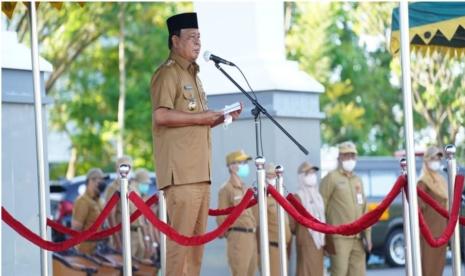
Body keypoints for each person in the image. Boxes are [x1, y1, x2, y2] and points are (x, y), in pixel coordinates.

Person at [150, 12, 242, 276]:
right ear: (175, 40)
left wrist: (219, 117)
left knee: (196, 250)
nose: (198, 43)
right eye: (191, 37)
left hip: (201, 174)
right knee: (180, 247)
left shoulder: (195, 76)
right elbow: (161, 115)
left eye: (199, 37)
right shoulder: (167, 74)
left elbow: (193, 122)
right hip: (181, 175)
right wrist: (203, 116)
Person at [320, 141, 371, 276]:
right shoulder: (331, 178)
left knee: (358, 273)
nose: (350, 159)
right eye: (346, 156)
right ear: (340, 158)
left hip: (358, 238)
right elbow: (321, 207)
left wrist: (368, 236)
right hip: (339, 237)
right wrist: (324, 236)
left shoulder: (358, 180)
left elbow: (364, 209)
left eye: (352, 156)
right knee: (340, 273)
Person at [216, 150, 257, 276]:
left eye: (245, 162)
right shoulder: (226, 188)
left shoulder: (245, 188)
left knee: (251, 272)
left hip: (251, 236)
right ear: (232, 166)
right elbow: (221, 216)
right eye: (242, 162)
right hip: (238, 237)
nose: (245, 165)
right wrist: (232, 234)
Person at [289, 161, 325, 276]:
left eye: (313, 173)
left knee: (317, 270)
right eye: (308, 173)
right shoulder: (297, 197)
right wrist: (302, 233)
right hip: (305, 239)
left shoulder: (318, 196)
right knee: (305, 270)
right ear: (302, 177)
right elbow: (292, 224)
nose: (312, 176)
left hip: (319, 241)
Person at [418, 146, 448, 276]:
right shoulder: (422, 182)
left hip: (442, 233)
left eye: (438, 158)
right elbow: (419, 210)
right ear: (426, 160)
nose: (436, 161)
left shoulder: (441, 180)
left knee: (438, 268)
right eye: (433, 158)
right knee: (428, 269)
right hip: (428, 235)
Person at [259, 163, 291, 276]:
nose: (272, 178)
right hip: (271, 248)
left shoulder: (280, 197)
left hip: (283, 247)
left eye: (274, 176)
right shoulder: (262, 199)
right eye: (269, 176)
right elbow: (259, 226)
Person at [72, 168, 107, 254]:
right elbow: (76, 227)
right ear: (91, 181)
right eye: (100, 181)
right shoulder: (83, 201)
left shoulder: (100, 201)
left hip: (100, 247)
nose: (102, 184)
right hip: (86, 248)